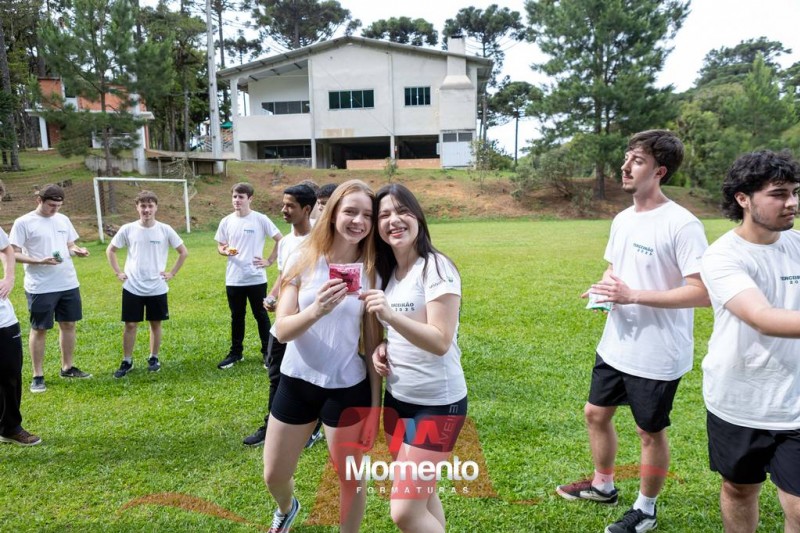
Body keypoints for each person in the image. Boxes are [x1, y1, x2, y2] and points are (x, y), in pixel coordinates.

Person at [555, 130, 710, 533]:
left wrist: (633, 295)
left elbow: (702, 292)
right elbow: (616, 269)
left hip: (657, 352)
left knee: (648, 431)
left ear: (659, 171)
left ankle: (646, 509)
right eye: (626, 157)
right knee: (595, 414)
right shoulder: (623, 219)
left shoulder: (682, 224)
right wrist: (605, 288)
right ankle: (603, 486)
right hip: (616, 343)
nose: (625, 167)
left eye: (637, 161)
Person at [263, 179, 382, 533]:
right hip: (297, 381)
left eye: (367, 215)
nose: (358, 221)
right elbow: (282, 329)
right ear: (331, 213)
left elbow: (372, 340)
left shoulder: (373, 269)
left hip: (346, 386)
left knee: (350, 478)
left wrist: (375, 407)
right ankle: (287, 507)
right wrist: (316, 309)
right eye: (350, 211)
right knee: (274, 474)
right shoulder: (303, 257)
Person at [700, 150, 800, 533]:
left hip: (795, 402)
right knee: (739, 488)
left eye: (795, 192)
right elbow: (762, 317)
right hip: (738, 399)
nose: (791, 202)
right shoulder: (722, 256)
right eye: (778, 194)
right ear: (743, 198)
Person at [362, 183, 467, 533]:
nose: (394, 220)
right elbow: (407, 329)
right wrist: (385, 345)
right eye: (384, 215)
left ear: (418, 217)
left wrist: (391, 318)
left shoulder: (436, 267)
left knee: (405, 511)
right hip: (399, 400)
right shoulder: (391, 273)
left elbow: (440, 340)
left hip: (437, 405)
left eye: (402, 211)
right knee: (423, 496)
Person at [242, 183, 324, 448]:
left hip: (310, 325)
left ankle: (314, 427)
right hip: (283, 324)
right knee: (276, 376)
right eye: (283, 204)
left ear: (307, 209)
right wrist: (273, 296)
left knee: (312, 377)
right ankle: (271, 426)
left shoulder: (322, 242)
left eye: (290, 206)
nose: (283, 210)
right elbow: (285, 276)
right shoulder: (287, 242)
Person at [9, 184, 92, 393]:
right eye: (51, 205)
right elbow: (14, 253)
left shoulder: (63, 219)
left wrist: (78, 250)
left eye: (58, 206)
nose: (55, 209)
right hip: (40, 286)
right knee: (40, 329)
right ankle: (37, 375)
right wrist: (39, 261)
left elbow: (69, 245)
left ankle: (67, 367)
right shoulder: (23, 222)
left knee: (69, 324)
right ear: (39, 200)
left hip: (68, 282)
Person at [106, 190, 189, 377]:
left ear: (156, 207)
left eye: (150, 206)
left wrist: (172, 273)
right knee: (130, 325)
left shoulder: (165, 229)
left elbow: (183, 252)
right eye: (143, 206)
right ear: (137, 207)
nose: (146, 210)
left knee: (155, 324)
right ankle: (127, 361)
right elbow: (110, 250)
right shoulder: (128, 229)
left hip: (156, 287)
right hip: (132, 286)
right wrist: (118, 272)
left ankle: (153, 357)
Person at [214, 182, 282, 370]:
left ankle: (267, 353)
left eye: (241, 197)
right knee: (237, 316)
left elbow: (280, 239)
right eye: (234, 196)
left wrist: (269, 260)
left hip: (256, 278)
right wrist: (224, 250)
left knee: (261, 315)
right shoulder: (226, 221)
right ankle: (236, 353)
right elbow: (220, 245)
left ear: (250, 199)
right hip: (234, 278)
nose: (237, 200)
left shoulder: (260, 219)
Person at [0, 180, 41, 446]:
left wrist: (9, 277)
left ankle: (10, 427)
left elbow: (6, 249)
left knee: (10, 372)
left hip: (3, 317)